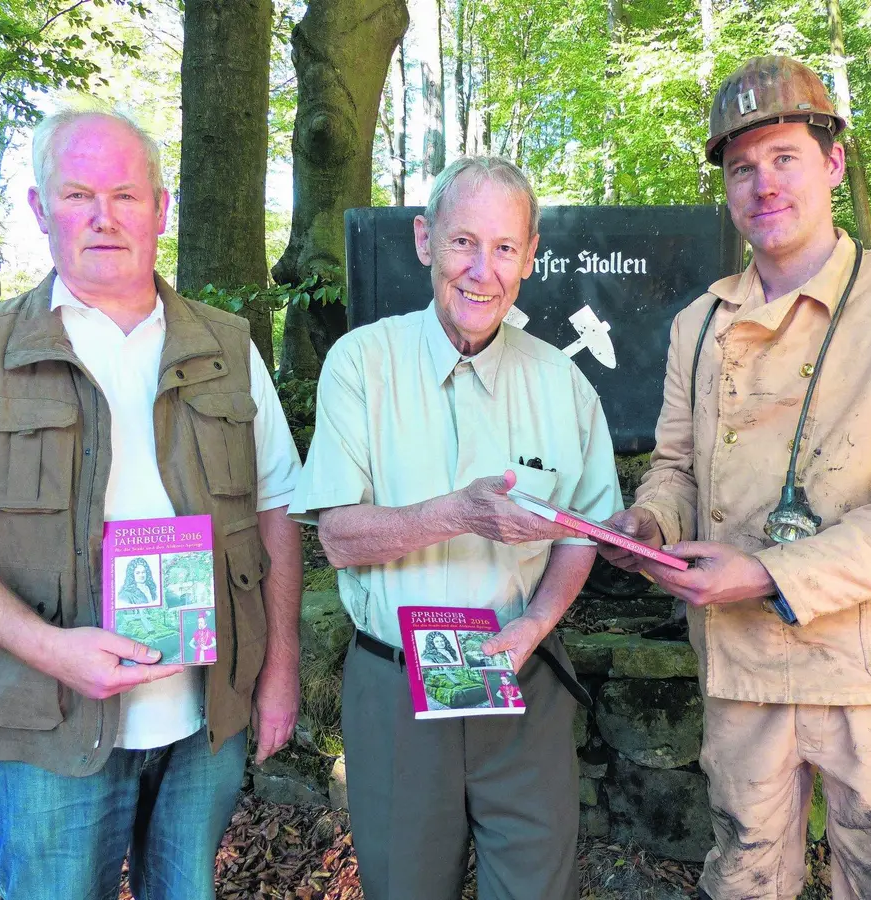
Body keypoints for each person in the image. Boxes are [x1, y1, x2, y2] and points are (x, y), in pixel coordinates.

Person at [0, 103, 304, 900]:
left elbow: (277, 510)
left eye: (125, 195)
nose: (104, 218)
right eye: (78, 195)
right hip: (53, 720)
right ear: (41, 211)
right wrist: (49, 648)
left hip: (203, 718)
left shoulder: (228, 346)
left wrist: (279, 671)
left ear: (160, 208)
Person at [601, 56, 871, 900]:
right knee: (743, 870)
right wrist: (652, 525)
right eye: (742, 167)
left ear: (834, 163)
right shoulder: (697, 325)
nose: (763, 184)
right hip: (741, 663)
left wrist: (770, 572)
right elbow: (673, 467)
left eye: (784, 158)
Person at [287, 156, 621, 900]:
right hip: (396, 686)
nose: (482, 270)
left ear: (530, 257)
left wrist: (538, 621)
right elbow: (338, 536)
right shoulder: (361, 364)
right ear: (423, 241)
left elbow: (579, 533)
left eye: (504, 248)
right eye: (463, 241)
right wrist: (460, 513)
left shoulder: (563, 383)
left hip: (521, 677)